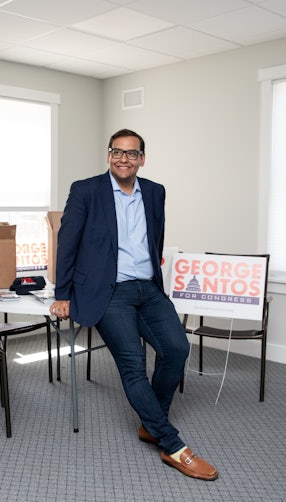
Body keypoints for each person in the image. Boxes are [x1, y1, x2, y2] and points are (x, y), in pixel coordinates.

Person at [49, 129, 218, 481]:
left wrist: (152, 268)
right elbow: (67, 243)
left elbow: (156, 235)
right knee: (133, 366)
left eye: (130, 153)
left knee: (177, 349)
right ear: (108, 155)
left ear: (142, 158)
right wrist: (62, 294)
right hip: (108, 292)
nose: (122, 159)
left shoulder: (155, 192)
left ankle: (151, 423)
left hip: (149, 288)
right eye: (116, 151)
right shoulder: (86, 190)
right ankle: (172, 445)